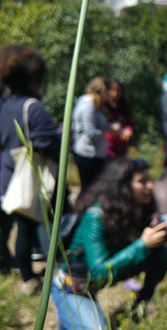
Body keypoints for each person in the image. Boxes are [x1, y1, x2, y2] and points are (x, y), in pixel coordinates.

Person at [51, 159, 167, 329]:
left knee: (163, 253)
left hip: (103, 278)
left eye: (149, 179)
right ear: (124, 186)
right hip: (73, 288)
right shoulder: (95, 217)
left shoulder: (134, 210)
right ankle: (70, 316)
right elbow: (100, 272)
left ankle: (141, 305)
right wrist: (142, 244)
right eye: (142, 181)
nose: (151, 185)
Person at [0, 44, 61, 293]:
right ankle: (41, 277)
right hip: (29, 178)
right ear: (35, 78)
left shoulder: (5, 104)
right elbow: (47, 144)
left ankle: (27, 277)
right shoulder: (33, 107)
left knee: (21, 228)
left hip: (9, 173)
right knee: (33, 227)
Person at [72, 76, 121, 194]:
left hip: (95, 155)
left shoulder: (94, 104)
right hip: (88, 155)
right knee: (88, 192)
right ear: (102, 90)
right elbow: (90, 133)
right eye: (108, 92)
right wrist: (109, 130)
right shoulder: (88, 104)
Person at [103, 77, 134, 159]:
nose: (115, 93)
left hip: (121, 151)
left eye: (118, 90)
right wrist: (112, 129)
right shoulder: (102, 106)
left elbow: (129, 123)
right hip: (105, 150)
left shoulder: (124, 106)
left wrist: (129, 129)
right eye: (112, 90)